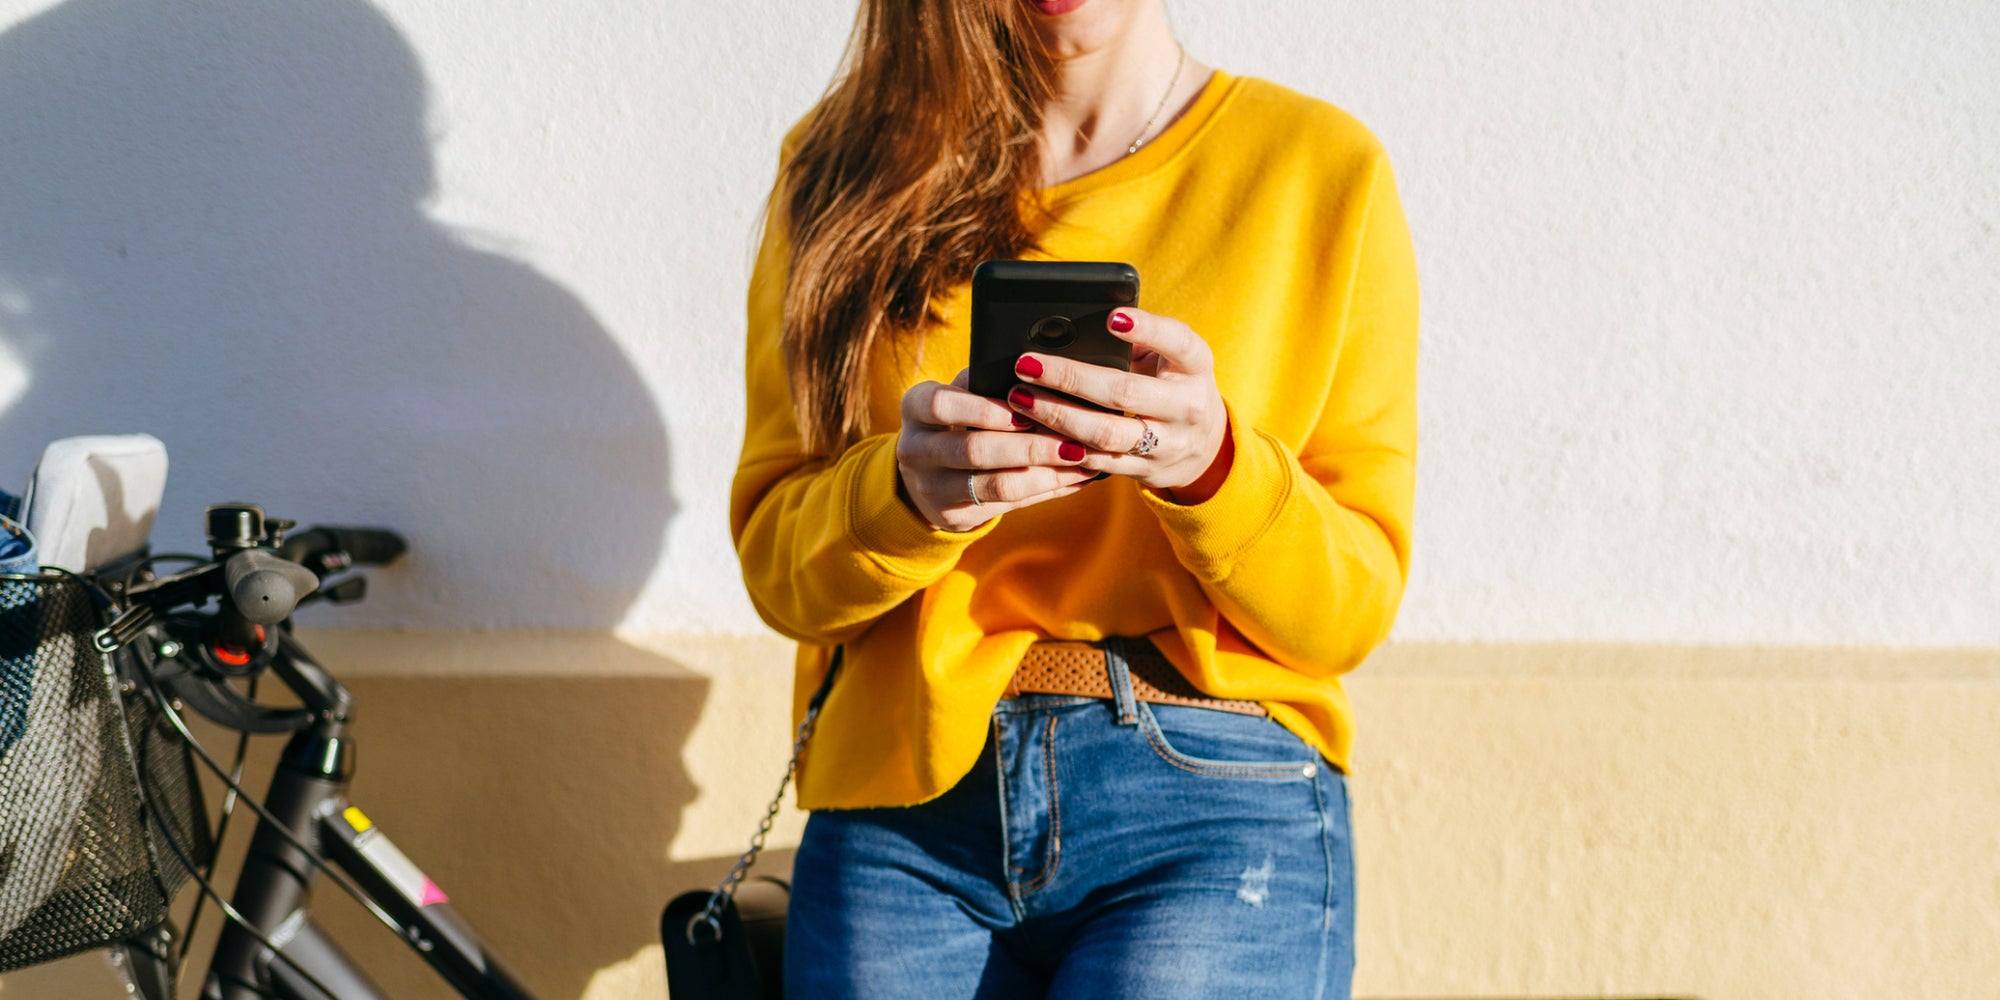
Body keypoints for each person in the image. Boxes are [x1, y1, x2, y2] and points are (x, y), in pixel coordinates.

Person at [730, 0, 1417, 996]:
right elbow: (777, 568)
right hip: (900, 812)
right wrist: (902, 495)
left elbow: (1348, 608)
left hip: (1211, 799)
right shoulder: (841, 171)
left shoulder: (1316, 171)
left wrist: (1214, 466)